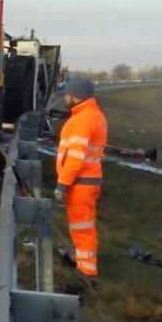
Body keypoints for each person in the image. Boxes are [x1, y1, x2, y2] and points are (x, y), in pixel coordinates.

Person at [55, 76, 108, 279]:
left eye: (67, 94)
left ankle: (87, 272)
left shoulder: (82, 120)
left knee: (82, 228)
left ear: (75, 96)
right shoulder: (93, 115)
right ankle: (82, 260)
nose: (65, 98)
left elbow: (75, 158)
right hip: (88, 181)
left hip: (81, 183)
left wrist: (62, 184)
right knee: (84, 226)